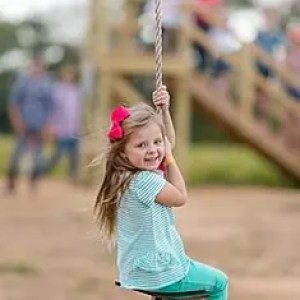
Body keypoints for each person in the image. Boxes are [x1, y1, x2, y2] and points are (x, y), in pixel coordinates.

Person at [94, 86, 229, 299]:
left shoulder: (124, 175)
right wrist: (170, 159)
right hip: (160, 273)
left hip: (140, 270)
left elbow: (168, 143)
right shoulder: (144, 181)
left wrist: (164, 111)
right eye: (141, 145)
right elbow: (180, 196)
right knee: (220, 283)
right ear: (123, 151)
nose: (152, 150)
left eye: (156, 142)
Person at [6, 57, 53, 192]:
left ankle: (34, 180)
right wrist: (17, 121)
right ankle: (12, 179)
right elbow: (14, 104)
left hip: (39, 124)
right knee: (17, 152)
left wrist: (48, 124)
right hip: (24, 122)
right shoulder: (22, 84)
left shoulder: (47, 85)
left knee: (39, 154)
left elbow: (50, 107)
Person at [45, 64, 82, 180]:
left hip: (74, 127)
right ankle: (44, 172)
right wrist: (52, 125)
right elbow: (53, 109)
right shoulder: (57, 90)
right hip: (61, 127)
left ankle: (72, 175)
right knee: (58, 153)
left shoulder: (76, 90)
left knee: (74, 154)